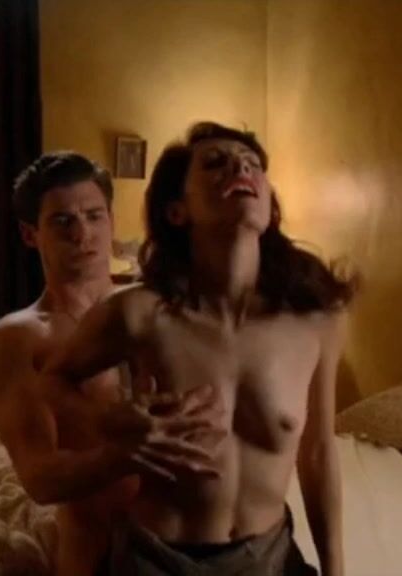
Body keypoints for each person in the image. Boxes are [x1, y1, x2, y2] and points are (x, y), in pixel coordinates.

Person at [41, 122, 355, 575]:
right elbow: (53, 378)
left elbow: (319, 451)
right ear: (177, 210)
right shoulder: (139, 313)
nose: (241, 168)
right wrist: (106, 418)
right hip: (158, 559)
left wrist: (335, 569)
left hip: (267, 559)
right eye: (215, 163)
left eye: (252, 164)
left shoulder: (317, 319)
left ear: (269, 209)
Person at [0, 151, 225, 576]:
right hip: (102, 552)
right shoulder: (16, 340)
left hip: (199, 540)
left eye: (94, 216)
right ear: (30, 234)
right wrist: (131, 453)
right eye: (63, 221)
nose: (82, 234)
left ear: (111, 219)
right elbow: (39, 477)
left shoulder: (163, 310)